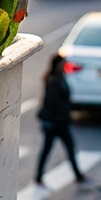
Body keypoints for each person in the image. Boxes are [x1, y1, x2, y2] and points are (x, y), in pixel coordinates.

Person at [35, 53, 84, 186]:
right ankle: (77, 175)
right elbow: (51, 103)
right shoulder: (53, 81)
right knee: (57, 148)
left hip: (59, 121)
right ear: (58, 65)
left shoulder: (59, 77)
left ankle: (77, 175)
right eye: (63, 64)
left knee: (58, 148)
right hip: (55, 122)